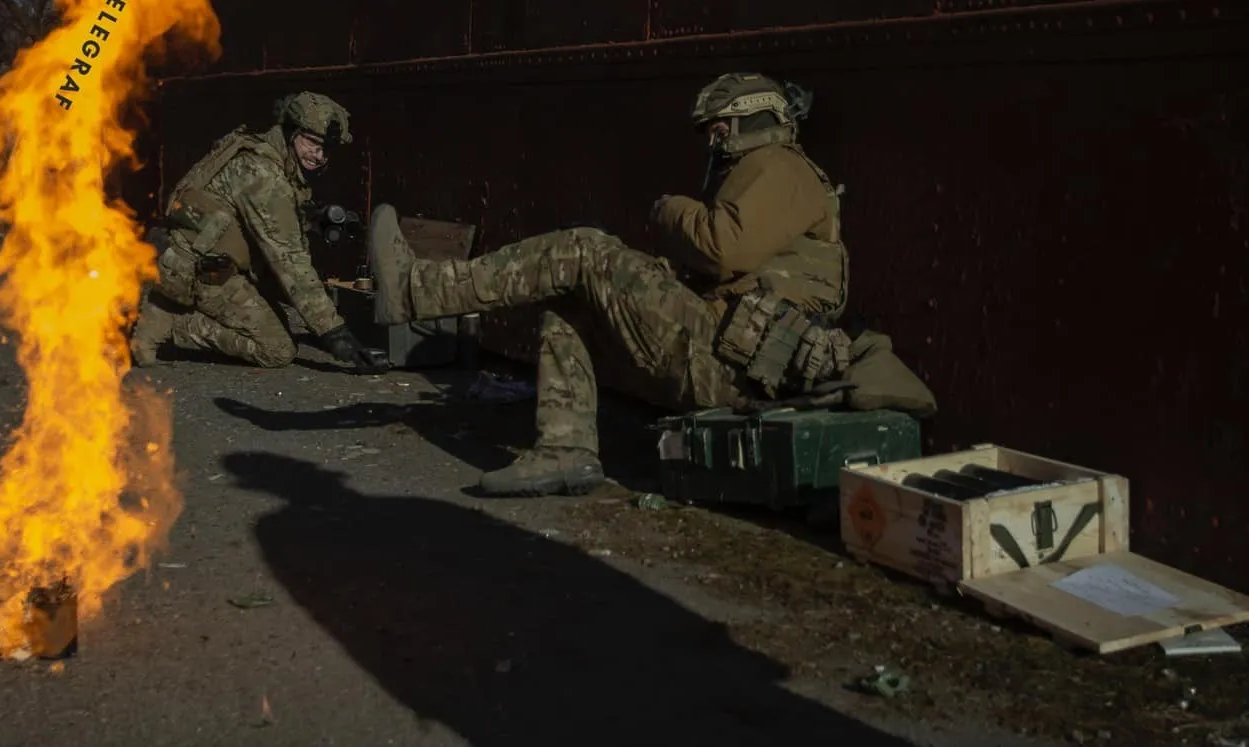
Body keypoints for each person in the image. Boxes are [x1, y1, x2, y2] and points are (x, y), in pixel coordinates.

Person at [363, 72, 936, 498]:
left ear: (745, 124)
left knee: (582, 248)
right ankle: (564, 452)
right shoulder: (772, 176)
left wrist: (670, 211)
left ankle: (416, 289)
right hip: (727, 361)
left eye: (717, 131)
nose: (712, 144)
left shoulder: (778, 165)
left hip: (727, 363)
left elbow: (721, 246)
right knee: (571, 302)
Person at [129, 91, 363, 370]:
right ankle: (175, 325)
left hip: (197, 260)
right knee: (278, 349)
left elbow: (264, 218)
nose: (319, 156)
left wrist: (311, 219)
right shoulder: (262, 176)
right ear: (291, 132)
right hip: (205, 274)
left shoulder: (263, 156)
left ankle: (160, 311)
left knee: (280, 322)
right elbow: (290, 260)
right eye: (312, 143)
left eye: (326, 150)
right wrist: (334, 333)